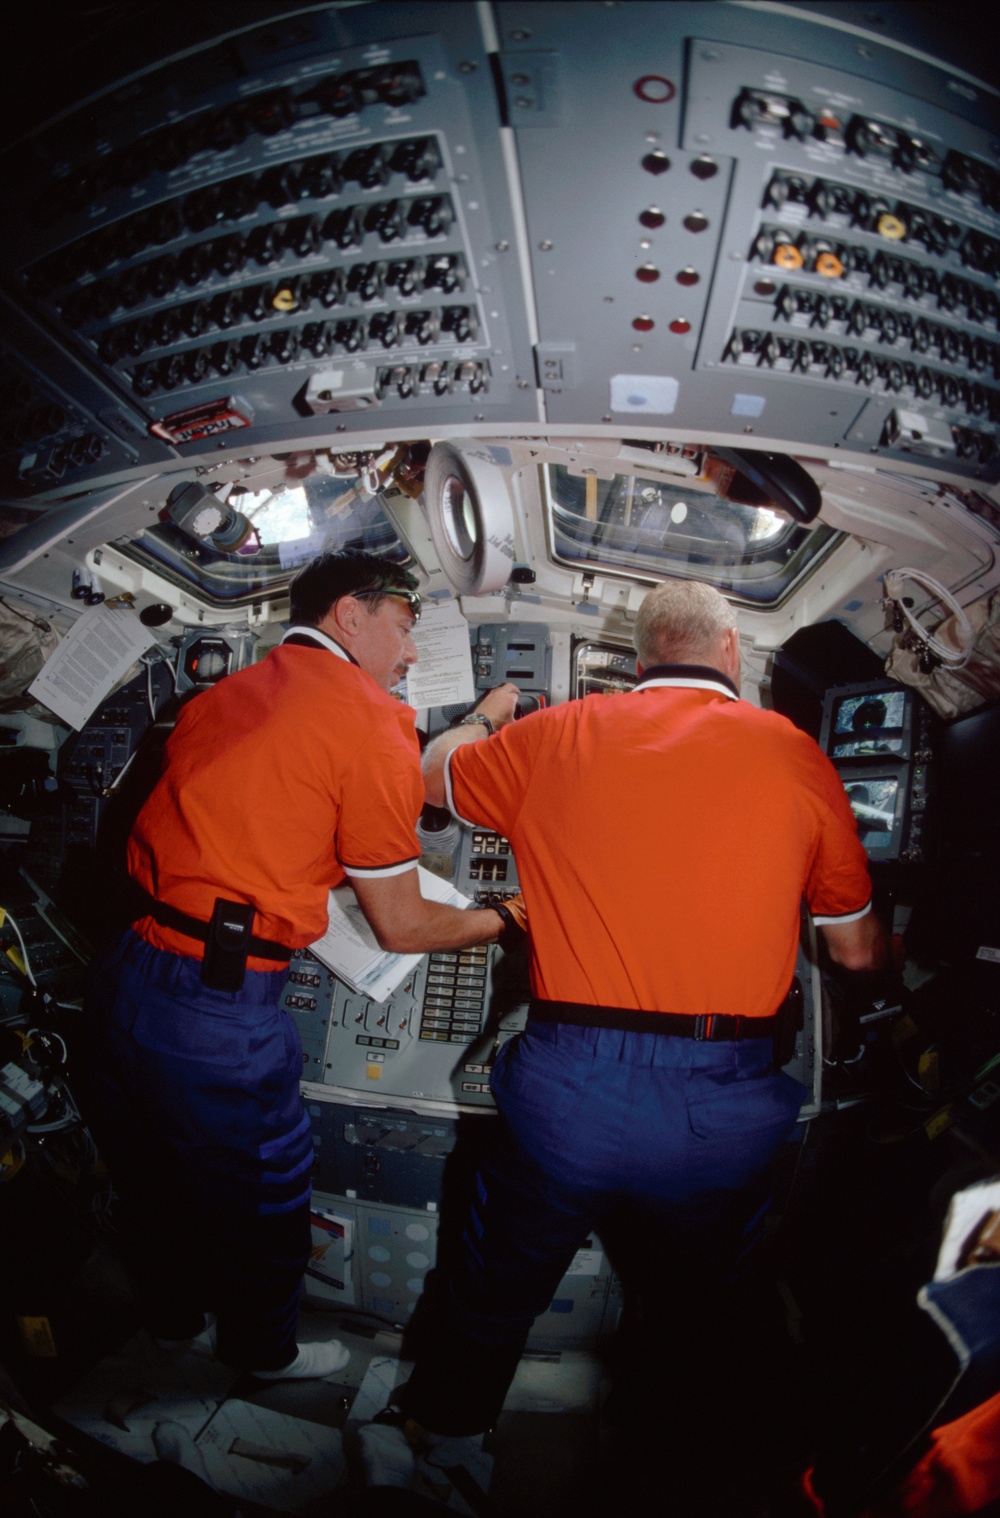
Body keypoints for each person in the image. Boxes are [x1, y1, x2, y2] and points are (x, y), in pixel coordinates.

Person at [365, 577, 890, 1501]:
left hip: (571, 1084)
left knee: (494, 1285)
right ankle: (665, 1468)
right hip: (722, 1100)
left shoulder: (558, 733)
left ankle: (446, 1439)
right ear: (730, 654)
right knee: (699, 1309)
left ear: (641, 658)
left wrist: (482, 717)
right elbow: (852, 951)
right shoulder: (796, 754)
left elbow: (428, 776)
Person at [78, 549, 520, 1381]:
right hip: (221, 1008)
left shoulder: (217, 694)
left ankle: (172, 1321)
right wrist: (501, 919)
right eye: (404, 626)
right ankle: (260, 1353)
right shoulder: (371, 719)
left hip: (125, 970)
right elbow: (400, 923)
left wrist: (483, 717)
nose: (413, 652)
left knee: (149, 1177)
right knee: (263, 1196)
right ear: (351, 615)